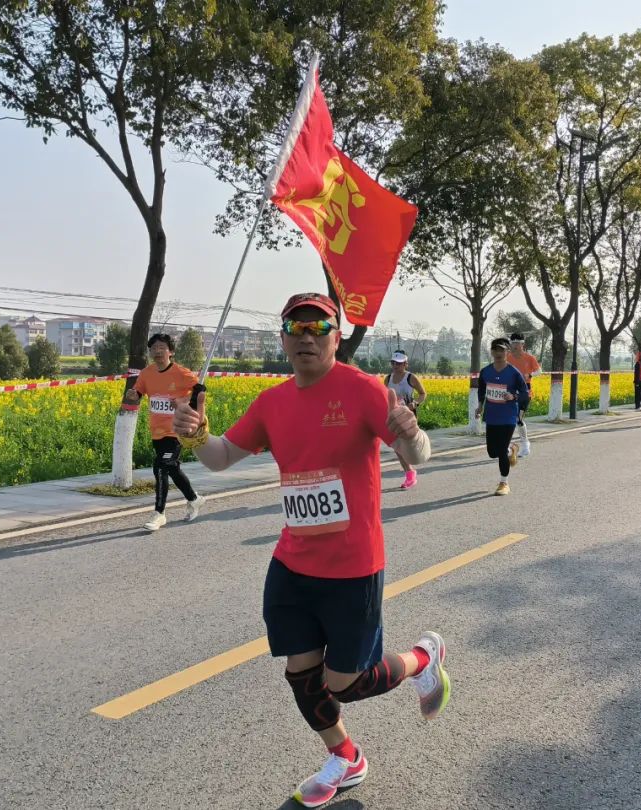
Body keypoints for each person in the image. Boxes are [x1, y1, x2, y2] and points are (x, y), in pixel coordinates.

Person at [171, 292, 449, 808]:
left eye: (317, 328)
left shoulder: (363, 390)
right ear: (282, 338)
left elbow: (419, 453)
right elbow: (222, 457)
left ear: (335, 338)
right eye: (294, 328)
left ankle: (423, 657)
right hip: (292, 564)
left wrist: (411, 434)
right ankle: (346, 757)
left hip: (353, 568)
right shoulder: (273, 402)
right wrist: (196, 435)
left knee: (343, 684)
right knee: (302, 674)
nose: (305, 337)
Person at [122, 333, 206, 531]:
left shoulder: (181, 373)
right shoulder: (147, 374)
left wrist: (182, 402)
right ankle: (194, 499)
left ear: (171, 351)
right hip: (157, 431)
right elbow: (139, 393)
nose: (157, 352)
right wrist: (133, 394)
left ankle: (159, 514)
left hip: (177, 430)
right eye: (153, 348)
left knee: (161, 466)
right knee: (172, 468)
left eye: (162, 348)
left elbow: (200, 392)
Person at [475, 337, 530, 495]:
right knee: (492, 452)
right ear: (491, 352)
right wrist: (480, 406)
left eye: (502, 350)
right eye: (495, 350)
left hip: (508, 417)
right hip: (491, 416)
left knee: (499, 450)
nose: (498, 353)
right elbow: (481, 390)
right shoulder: (486, 372)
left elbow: (524, 393)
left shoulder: (513, 373)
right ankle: (510, 450)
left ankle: (503, 483)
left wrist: (513, 397)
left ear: (507, 352)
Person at [384, 350, 427, 489]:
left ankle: (413, 465)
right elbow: (384, 396)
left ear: (405, 364)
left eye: (399, 363)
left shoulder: (410, 378)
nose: (396, 366)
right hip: (394, 416)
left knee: (407, 446)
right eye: (393, 363)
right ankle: (409, 473)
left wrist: (414, 403)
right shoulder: (388, 378)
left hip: (409, 416)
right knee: (397, 446)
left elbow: (422, 394)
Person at [507, 333, 541, 457]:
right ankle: (506, 446)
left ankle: (525, 444)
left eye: (517, 343)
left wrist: (530, 375)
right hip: (510, 391)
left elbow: (539, 371)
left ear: (523, 344)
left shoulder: (529, 358)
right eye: (513, 343)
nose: (515, 345)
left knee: (518, 419)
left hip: (524, 391)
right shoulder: (508, 357)